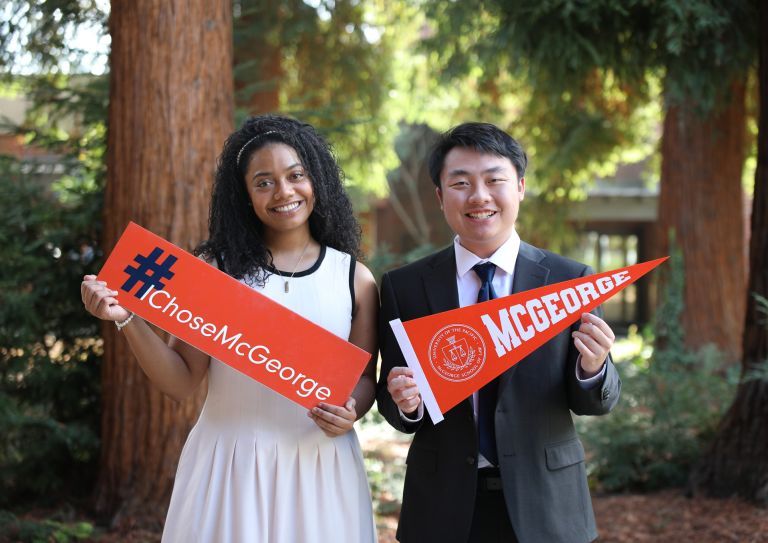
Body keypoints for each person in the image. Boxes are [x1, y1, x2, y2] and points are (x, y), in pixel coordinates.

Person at [81, 114, 379, 542]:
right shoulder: (216, 274)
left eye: (296, 175)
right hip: (229, 463)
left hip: (320, 464)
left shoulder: (355, 279)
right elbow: (181, 381)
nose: (284, 192)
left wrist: (352, 411)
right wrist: (127, 319)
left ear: (319, 180)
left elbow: (364, 378)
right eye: (263, 182)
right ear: (244, 196)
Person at [376, 122, 621, 543]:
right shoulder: (405, 286)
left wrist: (593, 367)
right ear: (439, 196)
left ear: (521, 187)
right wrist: (405, 402)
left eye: (495, 180)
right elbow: (393, 398)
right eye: (461, 183)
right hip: (443, 506)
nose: (479, 196)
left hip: (547, 506)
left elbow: (595, 402)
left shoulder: (568, 280)